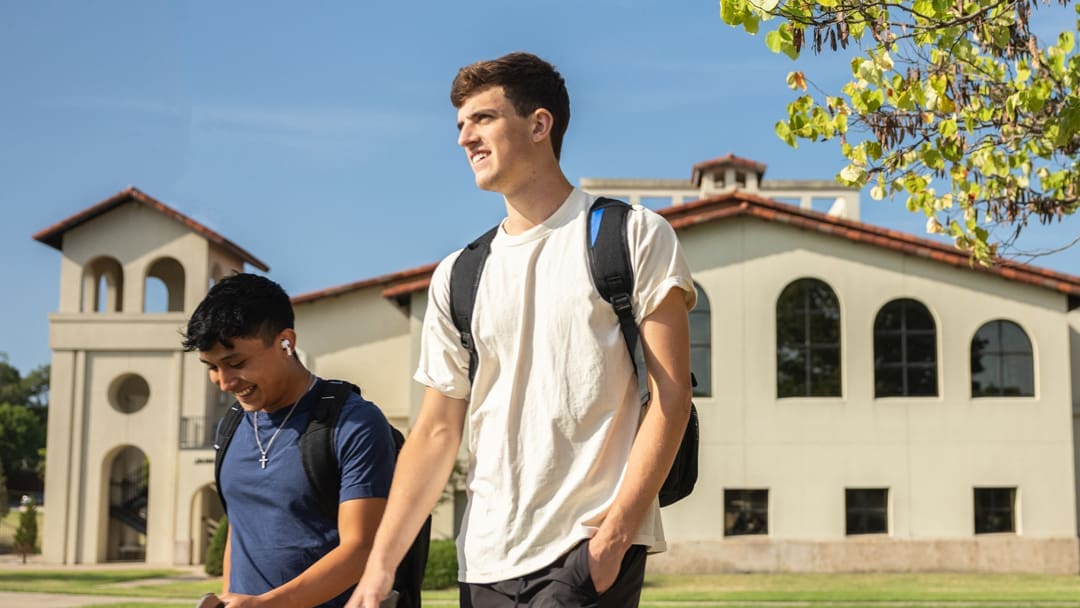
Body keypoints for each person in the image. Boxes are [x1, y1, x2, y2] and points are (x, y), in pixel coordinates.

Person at [348, 52, 695, 607]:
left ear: (539, 124)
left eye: (482, 119)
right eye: (460, 125)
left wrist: (614, 537)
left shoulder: (631, 236)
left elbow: (672, 396)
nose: (465, 138)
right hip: (484, 559)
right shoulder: (458, 274)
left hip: (586, 549)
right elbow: (436, 432)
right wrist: (378, 568)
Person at [183, 273, 397, 608]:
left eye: (235, 363)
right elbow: (240, 532)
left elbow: (362, 548)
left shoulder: (354, 423)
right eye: (211, 367)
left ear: (286, 342)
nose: (223, 382)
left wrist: (267, 605)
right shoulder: (231, 425)